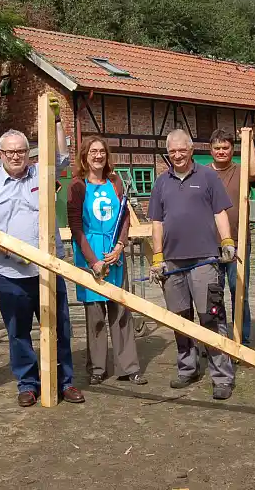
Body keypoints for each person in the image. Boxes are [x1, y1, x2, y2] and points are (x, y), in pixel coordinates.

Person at [0, 99, 85, 407]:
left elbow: (62, 158)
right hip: (11, 274)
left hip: (49, 270)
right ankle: (28, 384)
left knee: (60, 327)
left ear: (28, 151)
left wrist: (59, 121)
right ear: (1, 155)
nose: (16, 156)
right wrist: (13, 251)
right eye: (10, 152)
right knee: (19, 332)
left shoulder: (41, 175)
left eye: (21, 150)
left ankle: (65, 382)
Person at [148, 129, 236, 400]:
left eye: (181, 150)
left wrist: (227, 241)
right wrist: (157, 257)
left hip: (204, 259)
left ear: (190, 149)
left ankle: (222, 376)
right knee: (180, 318)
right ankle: (187, 368)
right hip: (173, 262)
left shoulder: (208, 176)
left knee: (211, 315)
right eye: (172, 151)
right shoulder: (161, 182)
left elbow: (219, 211)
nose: (177, 155)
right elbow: (156, 223)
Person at [67, 136, 147, 386]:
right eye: (93, 151)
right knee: (95, 316)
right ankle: (98, 368)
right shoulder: (77, 186)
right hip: (90, 254)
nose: (98, 156)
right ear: (85, 156)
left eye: (102, 151)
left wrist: (120, 246)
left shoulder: (115, 182)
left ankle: (128, 366)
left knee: (121, 310)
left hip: (114, 254)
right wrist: (93, 262)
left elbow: (124, 217)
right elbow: (75, 226)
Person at [207, 128, 255, 346]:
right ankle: (217, 337)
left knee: (238, 290)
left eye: (226, 147)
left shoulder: (241, 170)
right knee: (212, 293)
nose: (221, 151)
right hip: (209, 244)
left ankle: (242, 338)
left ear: (232, 149)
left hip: (238, 241)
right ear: (211, 150)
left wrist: (250, 141)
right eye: (217, 148)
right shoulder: (203, 174)